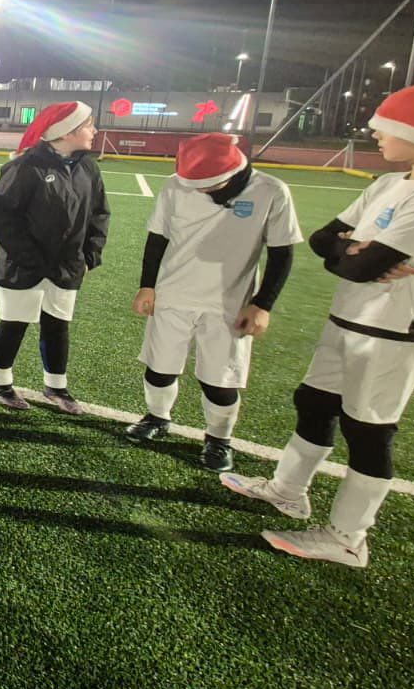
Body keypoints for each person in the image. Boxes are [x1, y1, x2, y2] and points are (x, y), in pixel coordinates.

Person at [222, 79, 414, 568]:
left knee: (368, 430)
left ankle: (348, 538)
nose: (375, 133)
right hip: (349, 316)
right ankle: (288, 491)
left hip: (396, 330)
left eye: (388, 126)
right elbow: (324, 240)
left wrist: (357, 255)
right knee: (314, 402)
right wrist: (351, 251)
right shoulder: (388, 184)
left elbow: (363, 266)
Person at [125, 133, 300, 471]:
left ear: (232, 172)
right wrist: (147, 286)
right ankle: (157, 416)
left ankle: (219, 439)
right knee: (159, 368)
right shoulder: (175, 186)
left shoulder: (271, 191)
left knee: (220, 381)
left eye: (208, 185)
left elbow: (282, 252)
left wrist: (263, 304)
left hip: (229, 303)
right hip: (173, 295)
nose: (201, 190)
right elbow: (157, 237)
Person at [0, 100, 109, 413]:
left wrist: (90, 255)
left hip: (67, 266)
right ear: (66, 132)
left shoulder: (89, 168)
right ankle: (0, 381)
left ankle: (56, 386)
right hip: (23, 267)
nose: (94, 131)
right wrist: (30, 259)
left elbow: (99, 214)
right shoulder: (25, 167)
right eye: (88, 125)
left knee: (58, 326)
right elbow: (4, 217)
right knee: (14, 324)